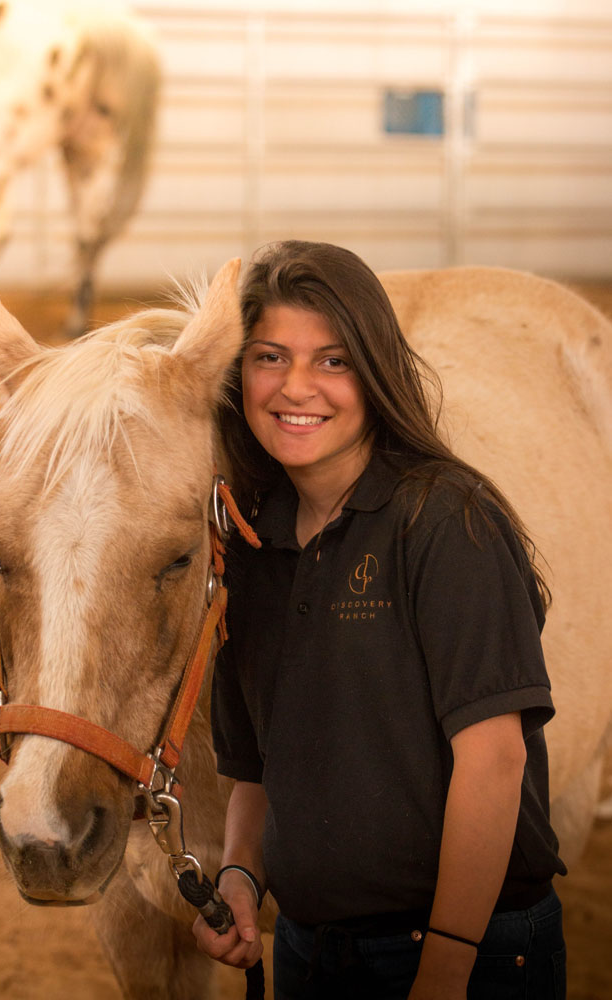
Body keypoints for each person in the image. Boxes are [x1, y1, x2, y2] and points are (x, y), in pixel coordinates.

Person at [192, 240, 567, 999]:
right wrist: (239, 875)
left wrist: (444, 970)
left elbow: (494, 761)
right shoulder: (249, 541)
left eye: (332, 361)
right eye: (269, 357)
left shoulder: (445, 522)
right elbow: (256, 771)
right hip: (308, 950)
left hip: (463, 951)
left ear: (376, 372)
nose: (296, 387)